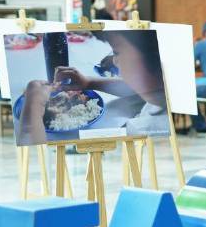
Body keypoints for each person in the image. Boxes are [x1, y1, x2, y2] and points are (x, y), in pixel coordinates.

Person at [18, 30, 167, 145]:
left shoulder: (139, 129)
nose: (114, 61)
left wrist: (33, 107)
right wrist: (89, 83)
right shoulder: (161, 94)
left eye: (116, 51)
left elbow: (35, 153)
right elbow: (140, 88)